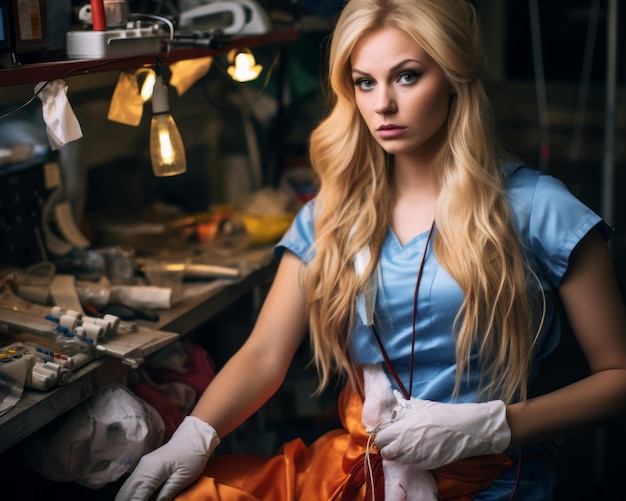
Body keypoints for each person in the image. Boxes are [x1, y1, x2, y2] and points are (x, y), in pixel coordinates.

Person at [116, 0, 626, 499]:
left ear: (452, 77)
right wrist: (193, 436)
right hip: (362, 471)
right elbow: (264, 354)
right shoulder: (330, 215)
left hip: (491, 481)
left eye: (407, 76)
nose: (382, 103)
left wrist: (493, 426)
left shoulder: (539, 207)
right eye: (365, 82)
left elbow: (618, 378)